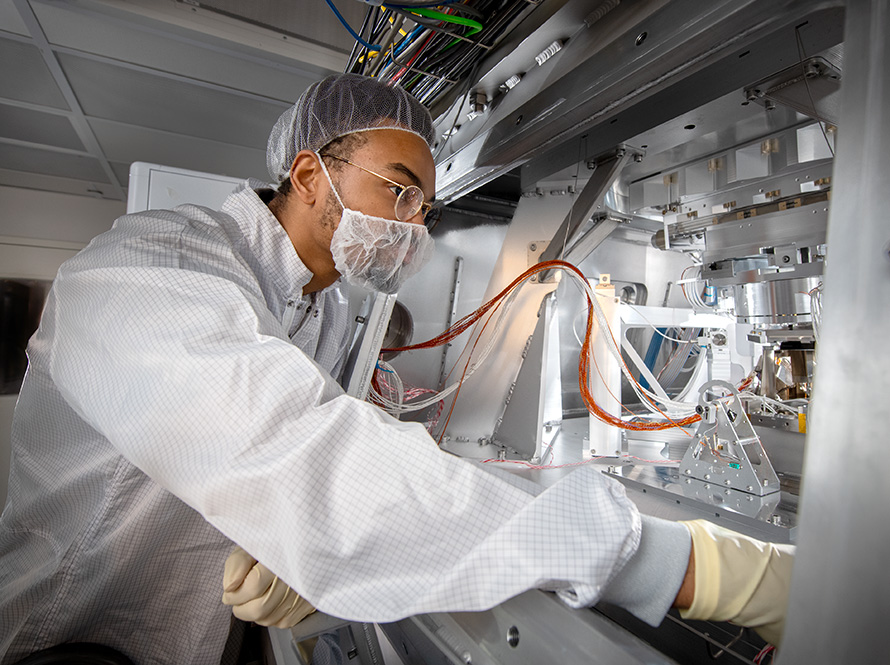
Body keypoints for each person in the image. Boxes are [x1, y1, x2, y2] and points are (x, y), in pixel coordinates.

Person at [0, 74, 793, 665]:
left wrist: (292, 540)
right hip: (74, 633)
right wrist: (671, 560)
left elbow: (337, 423)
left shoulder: (332, 305)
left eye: (426, 208)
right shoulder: (151, 266)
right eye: (400, 191)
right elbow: (303, 449)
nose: (415, 224)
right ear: (310, 175)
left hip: (205, 635)